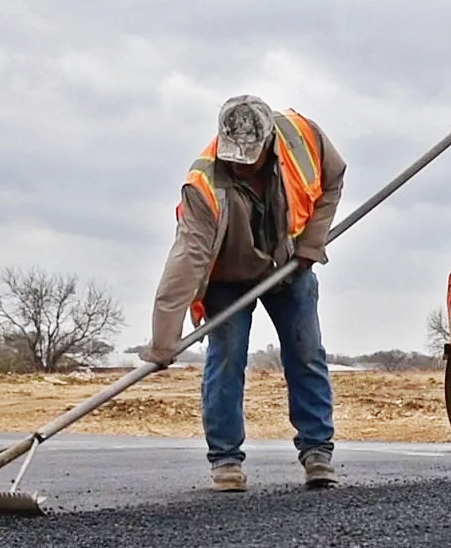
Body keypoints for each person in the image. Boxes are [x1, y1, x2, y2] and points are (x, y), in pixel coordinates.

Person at [140, 94, 347, 492]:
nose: (240, 162)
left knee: (306, 352)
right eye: (233, 154)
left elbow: (332, 180)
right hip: (227, 277)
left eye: (248, 155)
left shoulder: (304, 137)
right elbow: (185, 263)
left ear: (268, 141)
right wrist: (163, 341)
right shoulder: (203, 185)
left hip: (288, 262)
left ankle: (317, 451)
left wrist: (312, 244)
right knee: (227, 359)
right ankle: (225, 460)